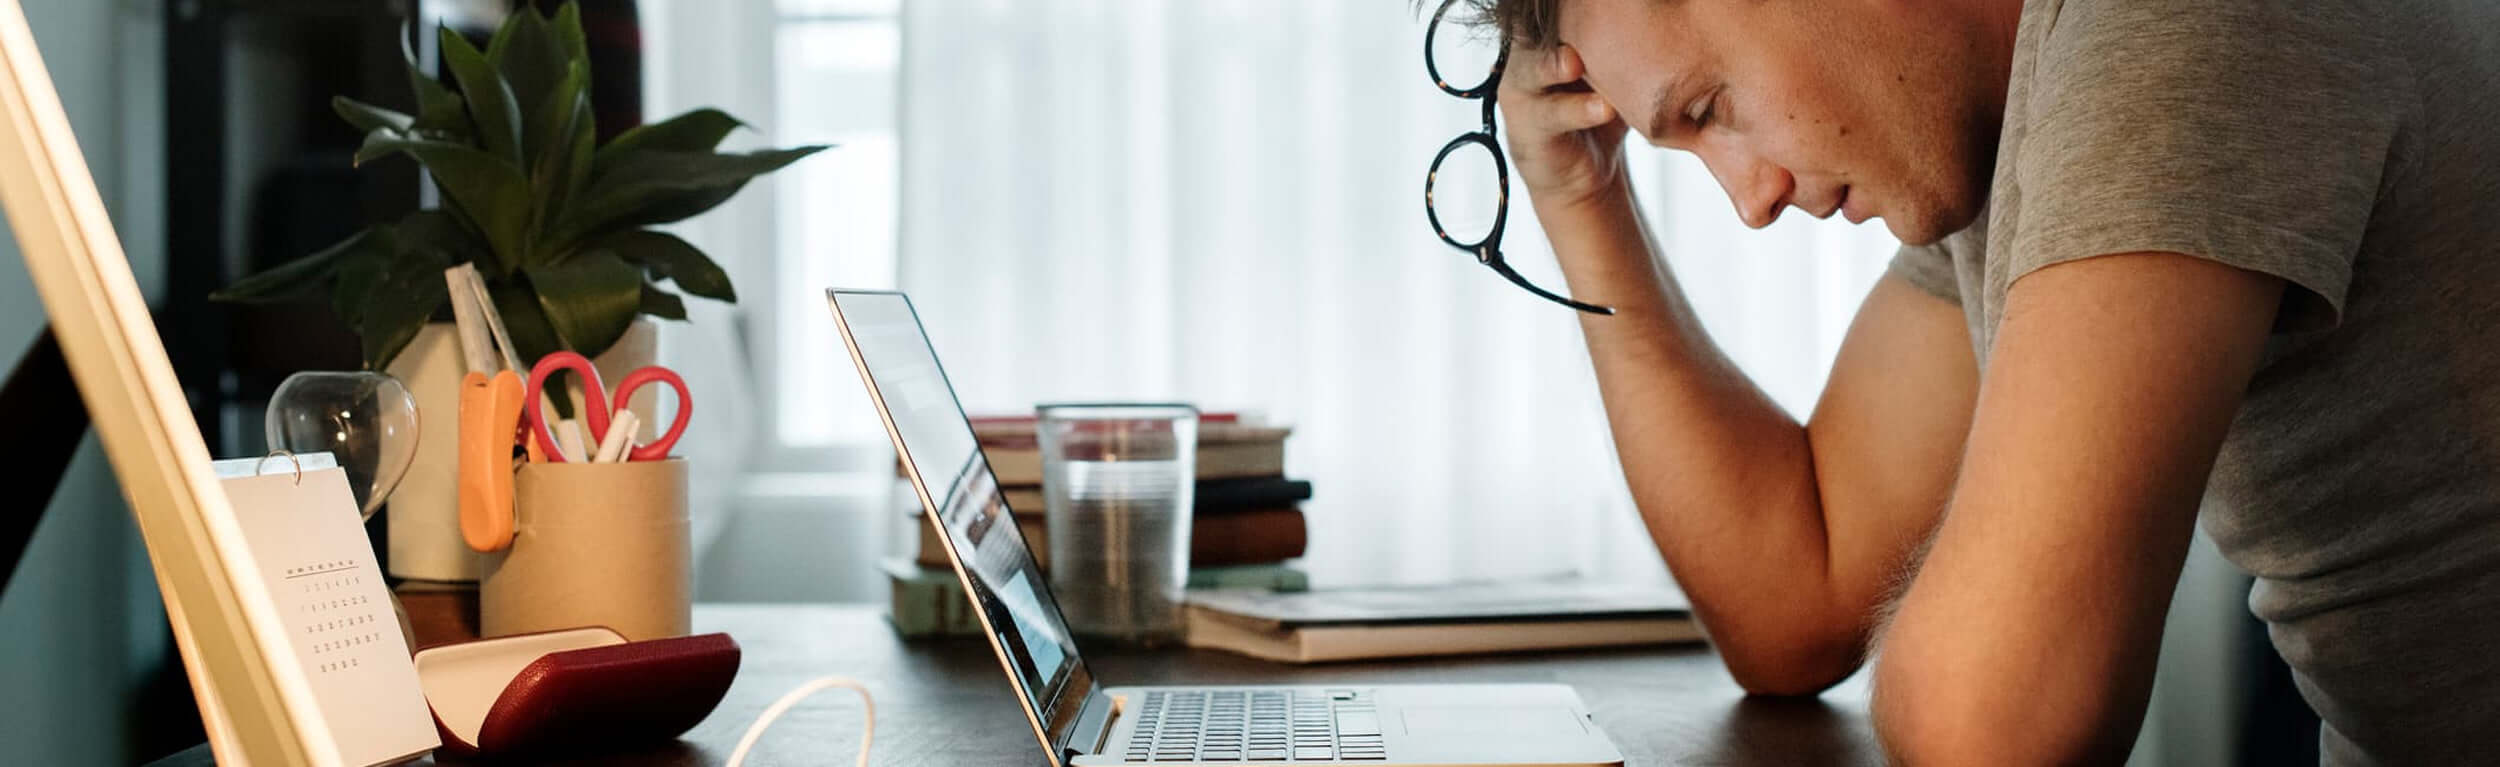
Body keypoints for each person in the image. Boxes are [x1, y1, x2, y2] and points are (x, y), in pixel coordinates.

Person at [1454, 0, 2500, 762]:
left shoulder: (2177, 26)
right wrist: (1579, 198)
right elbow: (1797, 604)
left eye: (1713, 104)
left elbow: (1993, 726)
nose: (1750, 199)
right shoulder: (2004, 118)